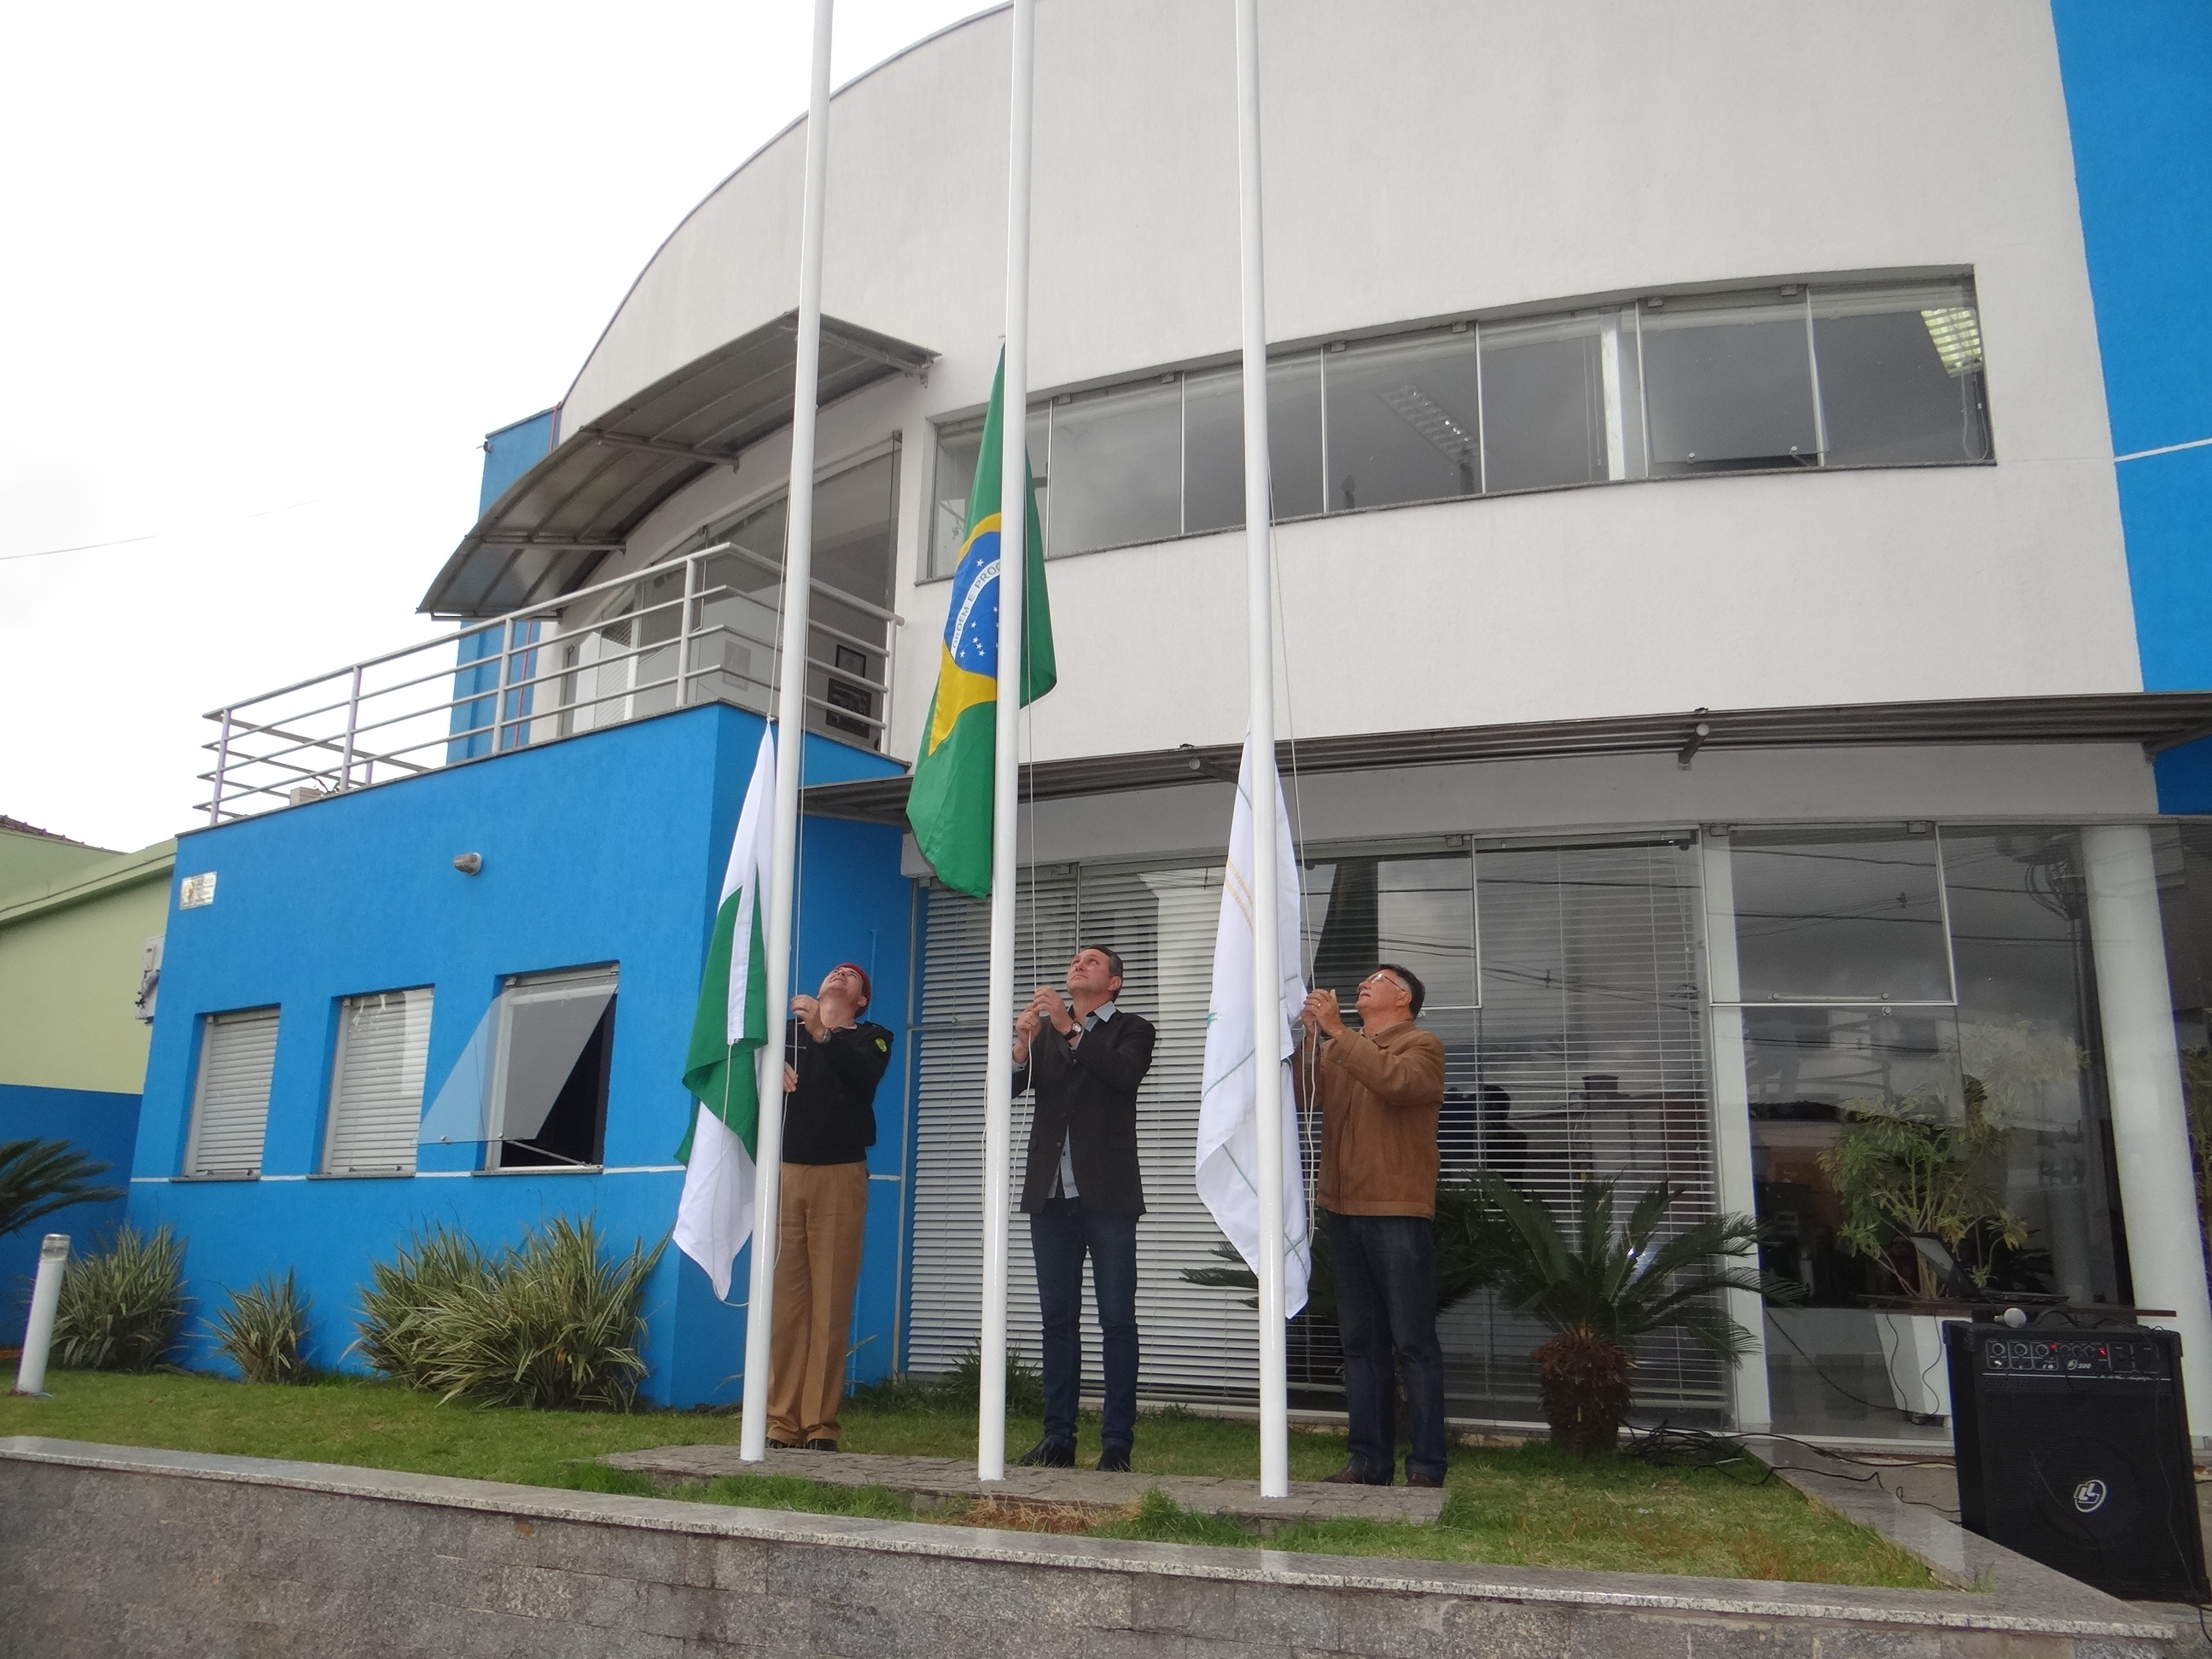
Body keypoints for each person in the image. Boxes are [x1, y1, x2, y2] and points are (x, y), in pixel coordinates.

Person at [1296, 963, 1449, 1487]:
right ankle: (1367, 1461)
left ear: (1403, 997)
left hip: (1396, 1211)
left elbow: (1398, 1084)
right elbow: (1304, 1097)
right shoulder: (1345, 1046)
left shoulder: (1422, 1046)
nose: (1363, 983)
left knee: (1412, 1343)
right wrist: (1311, 1041)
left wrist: (1338, 1033)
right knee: (1360, 1343)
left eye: (1377, 979)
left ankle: (1427, 1466)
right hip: (1344, 1209)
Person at [1010, 943, 1156, 1471]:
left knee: (1117, 1319)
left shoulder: (1134, 1029)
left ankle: (1117, 1443)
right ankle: (1058, 1438)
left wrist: (1068, 1028)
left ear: (1113, 982)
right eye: (1073, 959)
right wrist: (1021, 1048)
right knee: (1057, 1321)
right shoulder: (1046, 1030)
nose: (1077, 964)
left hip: (1108, 1194)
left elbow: (1122, 1077)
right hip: (1050, 1195)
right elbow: (1008, 1089)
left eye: (1091, 961)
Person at [767, 962, 894, 1452]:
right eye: (835, 970)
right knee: (787, 1304)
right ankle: (781, 1420)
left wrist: (822, 1032)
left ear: (861, 1000)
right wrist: (767, 1065)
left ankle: (819, 1425)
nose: (840, 974)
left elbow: (863, 1074)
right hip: (786, 1173)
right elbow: (742, 1068)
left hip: (840, 1175)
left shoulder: (872, 1038)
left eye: (853, 975)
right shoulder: (783, 1034)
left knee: (830, 1303)